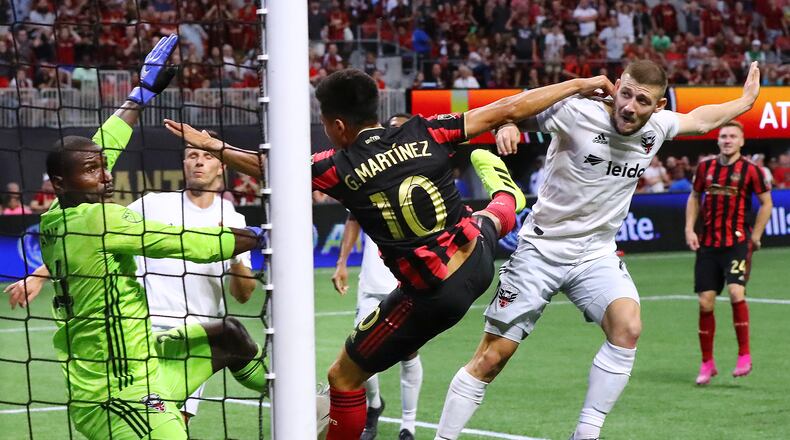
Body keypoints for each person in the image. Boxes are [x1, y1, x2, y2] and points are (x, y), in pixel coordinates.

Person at [163, 68, 616, 439]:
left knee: (342, 377)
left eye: (324, 123)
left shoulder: (337, 167)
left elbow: (270, 168)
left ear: (337, 125)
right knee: (482, 221)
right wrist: (579, 84)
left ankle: (503, 207)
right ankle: (506, 202)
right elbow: (510, 108)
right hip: (478, 259)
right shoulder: (427, 130)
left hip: (434, 294)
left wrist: (216, 147)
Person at [433, 60, 763, 440]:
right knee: (492, 358)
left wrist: (745, 101)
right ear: (616, 86)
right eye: (626, 94)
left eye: (642, 101)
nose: (630, 107)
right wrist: (508, 124)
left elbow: (702, 119)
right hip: (541, 250)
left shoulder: (656, 128)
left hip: (595, 254)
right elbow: (515, 110)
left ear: (657, 107)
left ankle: (586, 433)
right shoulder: (576, 111)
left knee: (628, 327)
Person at [5, 35, 269, 440]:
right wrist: (262, 233)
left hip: (150, 361)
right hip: (115, 393)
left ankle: (297, 403)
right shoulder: (102, 220)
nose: (106, 174)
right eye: (93, 171)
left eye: (102, 166)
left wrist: (141, 94)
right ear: (60, 182)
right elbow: (188, 243)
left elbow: (103, 145)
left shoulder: (59, 212)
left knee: (229, 336)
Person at [331, 113, 423, 440]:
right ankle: (374, 404)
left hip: (411, 280)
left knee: (408, 353)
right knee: (360, 351)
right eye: (393, 129)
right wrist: (342, 262)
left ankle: (408, 426)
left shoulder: (423, 170)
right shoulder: (368, 171)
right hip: (372, 282)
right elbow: (353, 219)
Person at [685, 120, 773, 385]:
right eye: (723, 136)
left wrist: (756, 236)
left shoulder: (752, 171)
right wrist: (690, 229)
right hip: (708, 244)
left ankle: (744, 355)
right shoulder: (705, 168)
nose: (727, 140)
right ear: (718, 140)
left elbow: (766, 202)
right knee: (705, 303)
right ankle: (707, 363)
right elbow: (694, 197)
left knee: (736, 292)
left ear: (741, 141)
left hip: (737, 243)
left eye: (733, 136)